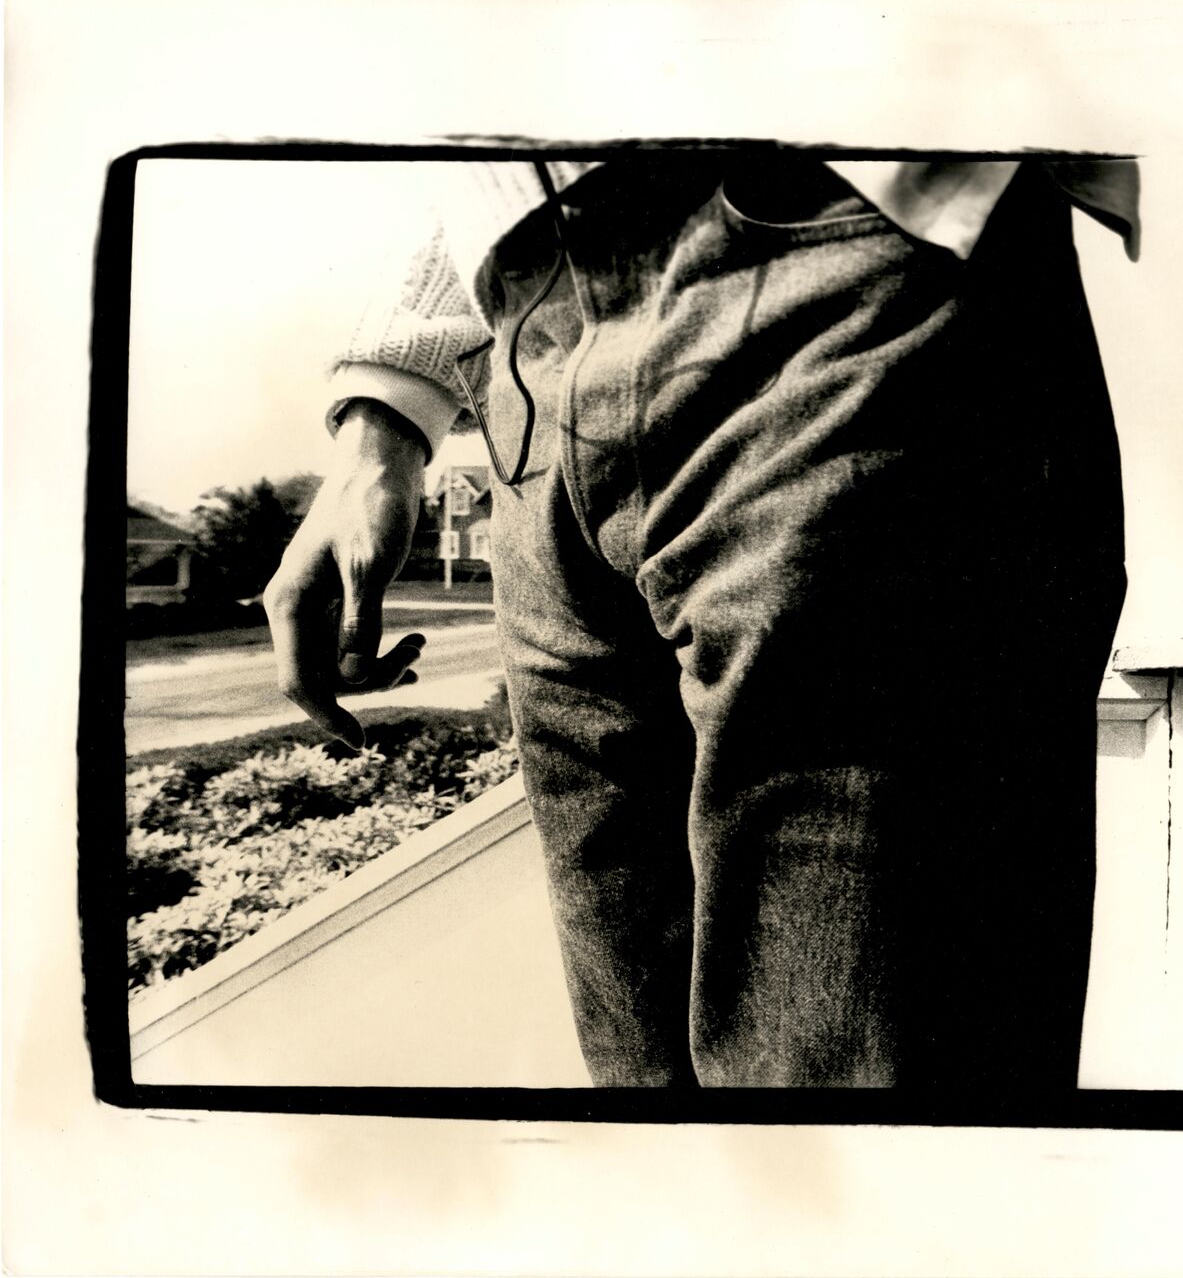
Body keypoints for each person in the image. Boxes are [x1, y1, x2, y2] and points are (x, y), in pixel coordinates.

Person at [266, 150, 1135, 1087]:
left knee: (869, 1116)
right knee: (647, 1113)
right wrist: (384, 416)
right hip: (531, 347)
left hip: (842, 278)